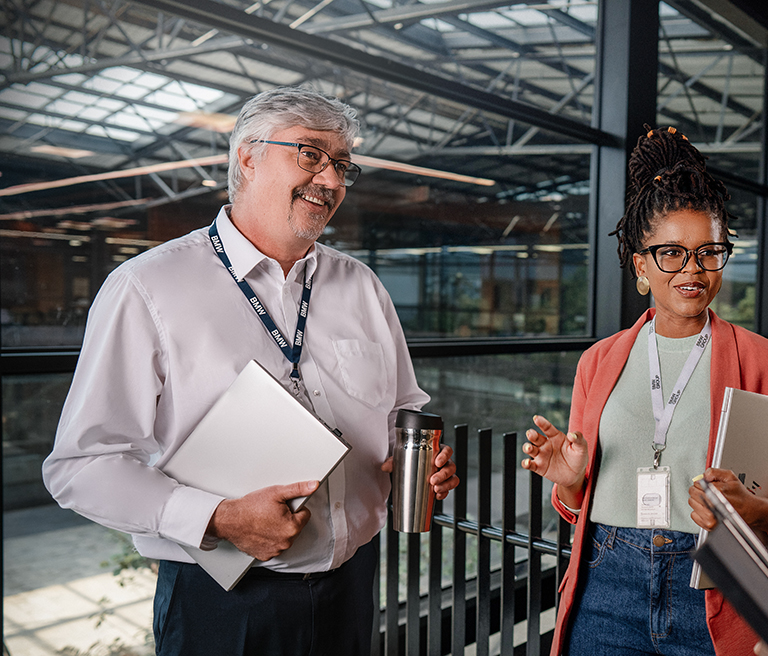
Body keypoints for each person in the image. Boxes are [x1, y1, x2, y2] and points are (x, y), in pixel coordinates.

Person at [42, 86, 459, 655]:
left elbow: (401, 409)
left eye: (342, 165)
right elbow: (81, 466)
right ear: (248, 157)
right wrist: (216, 517)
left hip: (353, 587)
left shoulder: (361, 285)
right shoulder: (148, 287)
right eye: (310, 155)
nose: (333, 181)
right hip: (222, 600)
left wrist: (419, 460)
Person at [520, 125, 768, 656]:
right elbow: (576, 507)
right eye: (670, 253)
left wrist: (755, 511)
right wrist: (572, 484)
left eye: (707, 251)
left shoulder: (766, 363)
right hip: (606, 584)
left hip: (716, 590)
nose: (691, 270)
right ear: (640, 265)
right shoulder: (598, 362)